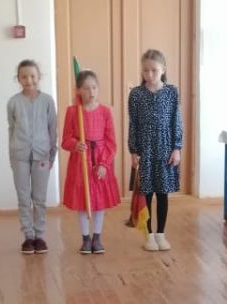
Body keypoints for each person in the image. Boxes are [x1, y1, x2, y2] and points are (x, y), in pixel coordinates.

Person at [128, 49, 184, 252]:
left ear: (163, 70)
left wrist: (177, 148)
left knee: (162, 193)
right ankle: (149, 235)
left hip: (165, 149)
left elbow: (176, 121)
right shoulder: (136, 94)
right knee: (146, 192)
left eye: (154, 70)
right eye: (145, 70)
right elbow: (133, 124)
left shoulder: (171, 92)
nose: (149, 74)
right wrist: (133, 151)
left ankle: (161, 234)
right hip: (145, 151)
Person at [61, 69, 121, 254]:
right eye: (86, 88)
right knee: (83, 200)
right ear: (78, 90)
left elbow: (111, 142)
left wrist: (104, 163)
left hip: (100, 161)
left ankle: (97, 237)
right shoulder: (72, 112)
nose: (91, 92)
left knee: (99, 202)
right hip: (80, 161)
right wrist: (75, 144)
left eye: (94, 87)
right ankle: (85, 238)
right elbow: (65, 139)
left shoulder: (105, 111)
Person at [7, 59, 57, 254]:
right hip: (19, 155)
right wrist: (11, 155)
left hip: (42, 154)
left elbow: (52, 129)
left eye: (32, 76)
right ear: (18, 79)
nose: (29, 80)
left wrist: (51, 154)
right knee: (23, 197)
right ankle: (28, 236)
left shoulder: (47, 101)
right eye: (24, 77)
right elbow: (11, 129)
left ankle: (39, 236)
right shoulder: (13, 102)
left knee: (39, 198)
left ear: (39, 77)